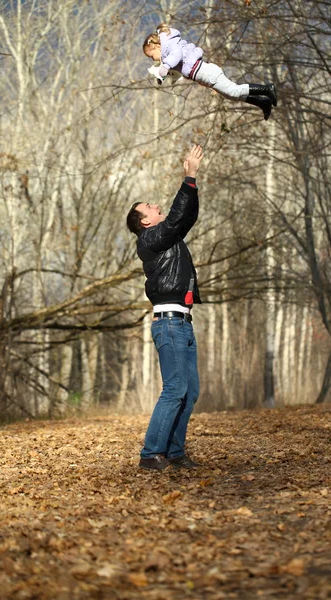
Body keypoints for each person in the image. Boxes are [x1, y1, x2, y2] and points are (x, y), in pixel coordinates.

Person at [126, 144, 204, 471]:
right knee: (175, 389)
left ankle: (173, 452)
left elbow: (185, 216)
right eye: (149, 206)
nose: (155, 204)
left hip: (183, 323)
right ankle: (150, 454)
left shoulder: (166, 236)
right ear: (145, 222)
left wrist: (192, 184)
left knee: (191, 391)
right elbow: (176, 218)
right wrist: (189, 176)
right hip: (169, 324)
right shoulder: (149, 240)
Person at [143, 23, 277, 121]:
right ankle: (262, 102)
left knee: (234, 91)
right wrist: (162, 76)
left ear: (157, 46)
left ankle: (267, 89)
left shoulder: (172, 46)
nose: (152, 59)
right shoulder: (168, 56)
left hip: (207, 72)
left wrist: (165, 66)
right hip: (205, 77)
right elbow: (175, 70)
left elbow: (177, 55)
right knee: (232, 95)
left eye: (151, 55)